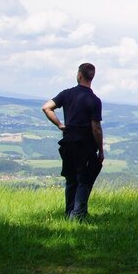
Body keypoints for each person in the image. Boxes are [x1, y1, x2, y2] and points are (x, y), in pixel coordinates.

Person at [41, 63, 104, 221]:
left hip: (68, 142)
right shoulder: (94, 100)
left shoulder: (67, 94)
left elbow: (46, 108)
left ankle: (69, 213)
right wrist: (101, 150)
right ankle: (78, 215)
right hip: (86, 145)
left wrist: (60, 125)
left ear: (80, 75)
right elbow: (96, 128)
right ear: (92, 77)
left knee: (71, 178)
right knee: (84, 179)